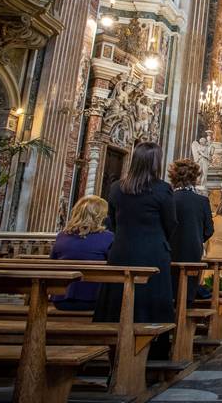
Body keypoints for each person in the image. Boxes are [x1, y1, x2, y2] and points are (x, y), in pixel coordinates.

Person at [95, 142, 177, 358]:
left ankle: (114, 349)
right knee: (152, 300)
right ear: (155, 163)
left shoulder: (116, 189)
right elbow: (171, 223)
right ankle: (154, 352)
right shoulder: (162, 189)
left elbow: (111, 221)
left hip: (121, 252)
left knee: (119, 299)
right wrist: (158, 240)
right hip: (153, 254)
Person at [50, 195, 114, 311]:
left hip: (60, 300)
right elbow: (114, 266)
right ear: (100, 216)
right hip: (94, 300)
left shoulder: (61, 237)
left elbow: (52, 263)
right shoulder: (108, 238)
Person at [167, 158, 214, 301]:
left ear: (173, 177)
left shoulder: (168, 199)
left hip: (168, 249)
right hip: (192, 250)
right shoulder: (202, 201)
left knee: (169, 286)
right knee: (188, 289)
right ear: (195, 177)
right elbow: (209, 230)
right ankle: (186, 315)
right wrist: (197, 237)